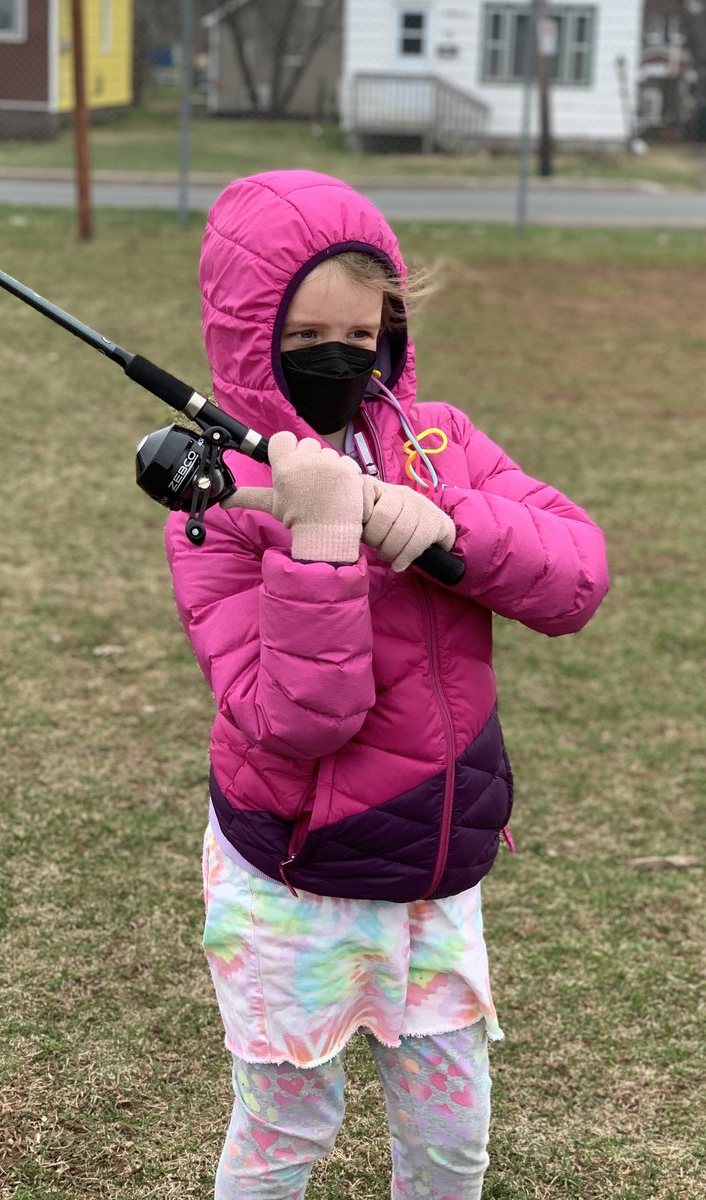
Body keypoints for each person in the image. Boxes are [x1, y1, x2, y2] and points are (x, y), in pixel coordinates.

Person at [164, 171, 608, 1200]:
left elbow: (576, 578)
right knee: (286, 1130)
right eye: (305, 333)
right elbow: (299, 721)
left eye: (359, 336)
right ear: (244, 334)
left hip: (434, 866)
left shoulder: (439, 442)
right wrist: (318, 538)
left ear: (390, 330)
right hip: (292, 880)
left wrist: (451, 522)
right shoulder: (225, 502)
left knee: (453, 1137)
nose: (337, 359)